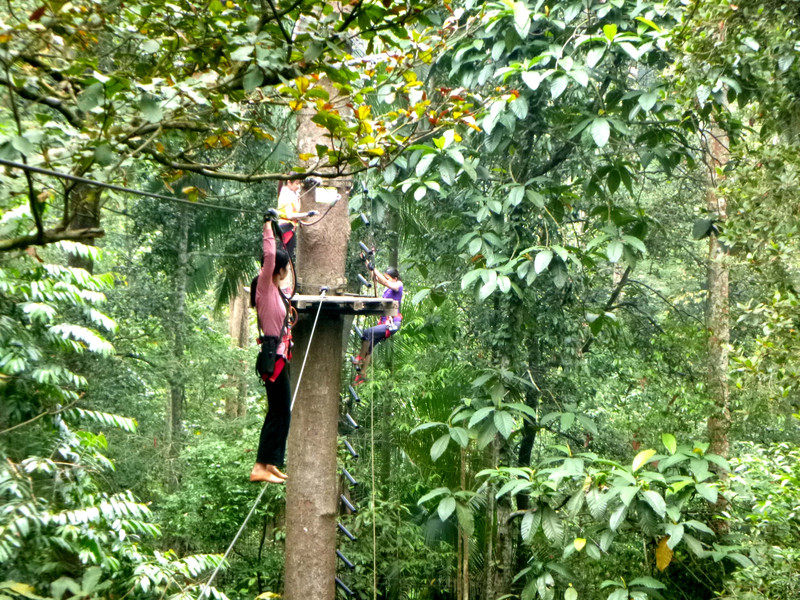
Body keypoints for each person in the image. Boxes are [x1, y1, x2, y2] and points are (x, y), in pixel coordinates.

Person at [250, 219, 293, 484]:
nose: (288, 270)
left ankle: (269, 463)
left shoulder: (276, 291)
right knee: (280, 412)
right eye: (286, 267)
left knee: (279, 412)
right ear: (278, 269)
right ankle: (260, 467)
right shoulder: (265, 288)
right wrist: (268, 226)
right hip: (272, 358)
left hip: (279, 356)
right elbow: (268, 255)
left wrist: (282, 231)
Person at [354, 266, 403, 382]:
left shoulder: (398, 285)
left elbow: (385, 282)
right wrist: (368, 264)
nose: (386, 280)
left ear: (395, 278)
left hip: (393, 323)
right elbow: (379, 279)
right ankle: (362, 373)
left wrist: (374, 269)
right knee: (369, 346)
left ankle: (360, 358)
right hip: (385, 322)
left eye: (388, 278)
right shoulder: (388, 289)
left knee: (367, 332)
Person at [277, 179, 317, 259]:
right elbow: (290, 215)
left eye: (299, 184)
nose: (298, 186)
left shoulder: (292, 193)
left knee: (287, 256)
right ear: (289, 182)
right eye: (296, 183)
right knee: (285, 257)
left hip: (290, 227)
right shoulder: (286, 193)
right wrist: (307, 214)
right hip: (285, 228)